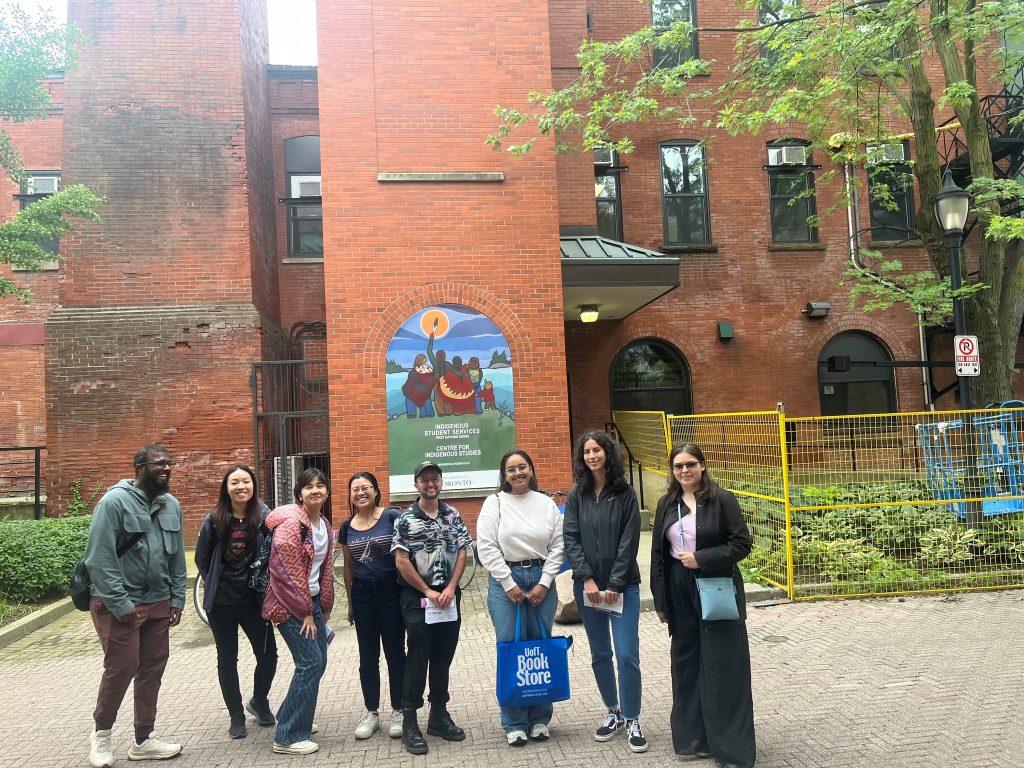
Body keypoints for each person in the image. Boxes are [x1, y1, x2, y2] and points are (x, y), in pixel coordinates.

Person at [650, 443, 756, 768]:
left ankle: (732, 750)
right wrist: (661, 599)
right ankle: (694, 739)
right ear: (672, 470)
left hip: (716, 586)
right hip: (679, 592)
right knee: (686, 664)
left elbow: (742, 543)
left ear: (703, 466)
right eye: (679, 466)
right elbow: (657, 554)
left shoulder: (722, 499)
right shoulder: (666, 503)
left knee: (723, 666)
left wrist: (702, 559)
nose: (685, 471)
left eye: (691, 464)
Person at [83, 444, 186, 767]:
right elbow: (99, 558)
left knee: (152, 669)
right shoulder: (114, 502)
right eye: (159, 464)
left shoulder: (171, 505)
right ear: (140, 468)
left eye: (169, 463)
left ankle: (143, 739)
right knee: (122, 667)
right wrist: (119, 603)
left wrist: (177, 598)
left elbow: (177, 558)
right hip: (120, 604)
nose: (166, 469)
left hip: (158, 602)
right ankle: (101, 735)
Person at [562, 429, 647, 754]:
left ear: (607, 453)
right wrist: (585, 578)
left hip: (622, 587)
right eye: (587, 451)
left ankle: (632, 717)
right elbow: (571, 537)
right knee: (600, 654)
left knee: (627, 654)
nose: (592, 455)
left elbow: (629, 540)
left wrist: (614, 583)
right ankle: (612, 711)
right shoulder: (576, 495)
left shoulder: (625, 493)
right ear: (582, 458)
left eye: (597, 450)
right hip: (588, 588)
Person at [476, 449, 564, 747]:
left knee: (540, 645)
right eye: (510, 469)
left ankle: (540, 718)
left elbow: (559, 546)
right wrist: (507, 582)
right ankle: (514, 721)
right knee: (511, 647)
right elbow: (486, 547)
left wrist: (545, 582)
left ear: (531, 470)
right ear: (504, 475)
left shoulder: (546, 504)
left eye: (522, 467)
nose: (517, 473)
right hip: (506, 582)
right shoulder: (494, 503)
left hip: (541, 579)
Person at [391, 460, 472, 755]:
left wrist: (450, 588)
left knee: (442, 657)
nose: (430, 483)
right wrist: (427, 590)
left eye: (434, 478)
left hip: (449, 599)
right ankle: (410, 720)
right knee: (417, 658)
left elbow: (463, 550)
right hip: (418, 600)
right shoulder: (405, 519)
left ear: (441, 482)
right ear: (416, 485)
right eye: (424, 479)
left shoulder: (453, 514)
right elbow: (401, 560)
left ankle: (438, 715)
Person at [194, 465, 278, 739]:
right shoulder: (215, 519)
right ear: (226, 488)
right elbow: (202, 559)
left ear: (253, 485)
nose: (241, 487)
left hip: (255, 601)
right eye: (234, 483)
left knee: (268, 655)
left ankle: (259, 701)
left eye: (246, 481)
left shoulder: (264, 515)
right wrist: (217, 582)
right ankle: (235, 715)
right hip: (222, 604)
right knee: (227, 659)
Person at [260, 467, 335, 755]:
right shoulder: (292, 526)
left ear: (326, 491)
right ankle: (288, 736)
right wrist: (305, 611)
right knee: (310, 663)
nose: (315, 490)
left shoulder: (324, 525)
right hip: (287, 605)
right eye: (309, 487)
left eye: (320, 485)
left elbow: (324, 569)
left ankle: (294, 715)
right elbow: (286, 573)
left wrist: (324, 606)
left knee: (319, 661)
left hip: (311, 603)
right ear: (299, 494)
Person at [338, 472, 406, 740]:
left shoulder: (391, 517)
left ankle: (399, 710)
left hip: (391, 592)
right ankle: (372, 713)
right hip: (363, 596)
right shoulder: (347, 526)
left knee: (394, 653)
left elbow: (404, 553)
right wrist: (351, 602)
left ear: (376, 492)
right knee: (368, 657)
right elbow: (349, 566)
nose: (360, 493)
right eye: (355, 489)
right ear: (350, 495)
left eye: (366, 488)